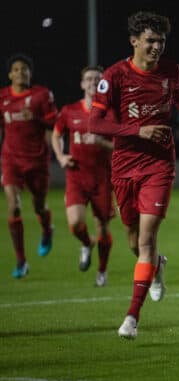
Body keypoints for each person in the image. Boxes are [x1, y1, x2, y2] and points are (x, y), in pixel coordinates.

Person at [88, 11, 179, 338]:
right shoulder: (115, 75)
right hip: (124, 165)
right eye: (150, 41)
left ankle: (132, 317)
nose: (156, 47)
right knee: (134, 240)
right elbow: (95, 123)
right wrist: (138, 130)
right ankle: (155, 268)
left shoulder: (171, 70)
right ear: (134, 41)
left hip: (159, 165)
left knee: (147, 237)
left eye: (161, 41)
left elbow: (178, 94)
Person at [52, 65, 115, 287]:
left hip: (103, 178)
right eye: (88, 79)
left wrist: (101, 142)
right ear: (82, 84)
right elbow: (57, 134)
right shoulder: (69, 111)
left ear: (103, 84)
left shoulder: (110, 113)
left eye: (97, 79)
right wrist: (60, 156)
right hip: (77, 175)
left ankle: (102, 270)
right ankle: (86, 243)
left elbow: (120, 147)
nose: (93, 82)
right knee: (76, 223)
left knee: (104, 228)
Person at [0, 53, 58, 278]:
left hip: (37, 160)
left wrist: (35, 119)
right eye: (16, 69)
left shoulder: (41, 95)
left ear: (30, 73)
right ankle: (21, 261)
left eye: (24, 69)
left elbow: (54, 123)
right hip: (11, 160)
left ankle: (46, 229)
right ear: (9, 74)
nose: (20, 72)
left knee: (39, 206)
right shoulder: (3, 98)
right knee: (13, 206)